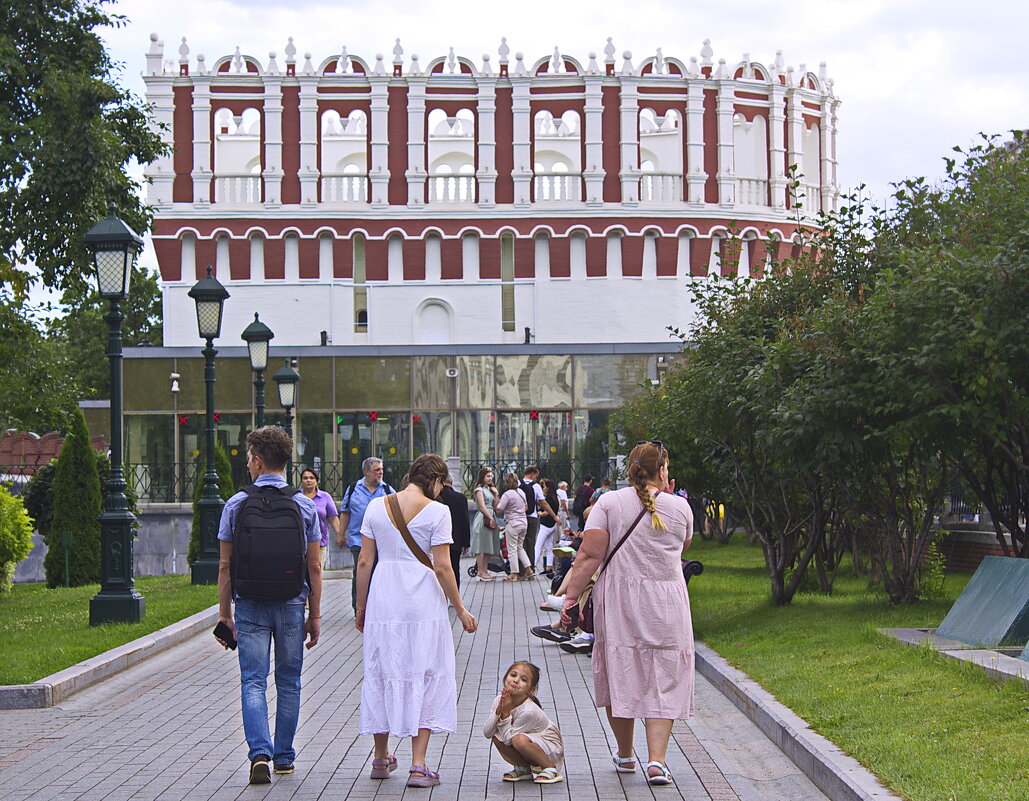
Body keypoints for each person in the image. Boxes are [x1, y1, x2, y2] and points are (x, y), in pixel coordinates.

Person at [560, 441, 694, 787]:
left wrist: (570, 599)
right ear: (662, 471)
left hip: (619, 601)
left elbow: (589, 555)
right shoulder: (680, 508)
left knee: (621, 671)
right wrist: (669, 496)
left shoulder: (609, 503)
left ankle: (624, 753)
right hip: (667, 603)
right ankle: (658, 761)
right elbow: (682, 547)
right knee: (664, 675)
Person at [355, 454, 478, 789]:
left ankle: (381, 757)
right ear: (436, 481)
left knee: (383, 670)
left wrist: (361, 606)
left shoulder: (377, 507)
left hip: (384, 597)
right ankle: (418, 765)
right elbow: (442, 566)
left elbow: (365, 561)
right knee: (425, 672)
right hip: (423, 601)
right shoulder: (439, 512)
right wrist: (461, 608)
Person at [215, 426, 322, 784]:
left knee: (253, 681)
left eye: (248, 458)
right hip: (292, 604)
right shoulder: (304, 505)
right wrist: (315, 615)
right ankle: (284, 757)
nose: (247, 465)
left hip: (249, 604)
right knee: (289, 681)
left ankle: (259, 753)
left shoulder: (235, 504)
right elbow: (315, 566)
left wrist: (225, 614)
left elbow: (225, 566)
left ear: (258, 461)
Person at [482, 661, 564, 785]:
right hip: (524, 741)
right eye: (513, 675)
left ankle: (549, 768)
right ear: (505, 678)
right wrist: (499, 710)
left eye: (523, 680)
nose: (516, 681)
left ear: (531, 690)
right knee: (496, 737)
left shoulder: (528, 711)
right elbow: (487, 733)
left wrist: (505, 714)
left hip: (548, 746)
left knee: (518, 739)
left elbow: (509, 740)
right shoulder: (499, 700)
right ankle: (523, 768)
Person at [338, 457, 395, 614]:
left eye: (382, 469)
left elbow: (398, 515)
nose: (381, 473)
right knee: (361, 570)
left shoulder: (388, 491)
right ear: (367, 472)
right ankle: (359, 607)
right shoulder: (352, 488)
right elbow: (345, 513)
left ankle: (378, 607)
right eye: (377, 470)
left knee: (379, 572)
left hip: (381, 541)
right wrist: (340, 534)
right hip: (358, 539)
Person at [300, 467, 340, 568]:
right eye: (305, 478)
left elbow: (333, 518)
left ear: (316, 481)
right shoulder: (297, 497)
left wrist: (340, 535)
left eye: (311, 478)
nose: (308, 480)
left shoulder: (325, 497)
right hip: (300, 542)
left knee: (316, 570)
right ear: (301, 481)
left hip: (320, 542)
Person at [436, 474, 471, 588]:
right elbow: (465, 521)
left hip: (438, 540)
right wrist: (466, 543)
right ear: (451, 482)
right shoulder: (461, 498)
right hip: (456, 539)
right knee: (454, 568)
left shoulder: (435, 497)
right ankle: (455, 595)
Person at [519, 466, 557, 570]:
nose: (536, 479)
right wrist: (554, 516)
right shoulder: (535, 486)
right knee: (531, 542)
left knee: (520, 544)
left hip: (519, 517)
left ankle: (521, 568)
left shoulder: (518, 483)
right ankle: (530, 567)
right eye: (535, 476)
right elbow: (543, 503)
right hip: (532, 517)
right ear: (531, 474)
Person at [496, 472, 531, 580]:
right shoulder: (521, 492)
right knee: (520, 547)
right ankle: (529, 569)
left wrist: (496, 497)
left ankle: (514, 573)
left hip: (513, 523)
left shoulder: (507, 494)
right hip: (524, 523)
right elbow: (526, 507)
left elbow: (498, 509)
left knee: (511, 548)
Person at [470, 467, 501, 581]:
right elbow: (482, 506)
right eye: (488, 476)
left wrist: (496, 494)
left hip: (491, 515)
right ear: (482, 477)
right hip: (483, 517)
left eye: (491, 476)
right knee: (480, 544)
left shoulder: (490, 489)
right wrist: (489, 517)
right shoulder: (479, 490)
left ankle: (485, 570)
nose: (490, 478)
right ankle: (480, 570)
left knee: (489, 544)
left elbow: (496, 506)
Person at [534, 478, 561, 575]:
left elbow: (546, 511)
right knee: (549, 546)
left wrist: (540, 514)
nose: (543, 488)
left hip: (545, 525)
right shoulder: (556, 498)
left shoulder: (548, 499)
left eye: (544, 486)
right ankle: (549, 567)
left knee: (538, 546)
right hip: (552, 525)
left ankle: (533, 566)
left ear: (548, 487)